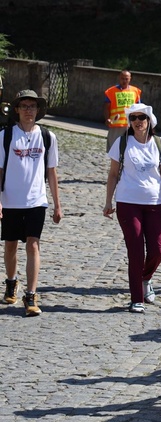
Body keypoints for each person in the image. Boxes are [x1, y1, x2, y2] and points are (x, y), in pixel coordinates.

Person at [103, 103, 161, 313]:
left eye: (141, 118)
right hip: (127, 202)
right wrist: (108, 201)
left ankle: (145, 278)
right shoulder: (122, 142)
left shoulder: (160, 144)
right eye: (133, 118)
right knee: (135, 250)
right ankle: (136, 299)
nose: (137, 122)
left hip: (154, 203)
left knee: (157, 250)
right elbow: (113, 174)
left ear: (149, 120)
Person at [0, 90, 63, 317]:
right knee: (10, 245)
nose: (29, 110)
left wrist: (57, 204)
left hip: (37, 200)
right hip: (10, 200)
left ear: (38, 110)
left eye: (32, 106)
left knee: (33, 244)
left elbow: (52, 172)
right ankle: (11, 281)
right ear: (17, 109)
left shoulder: (47, 136)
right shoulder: (5, 136)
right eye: (24, 106)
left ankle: (31, 295)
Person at [103, 69, 142, 153]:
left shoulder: (135, 91)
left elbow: (139, 108)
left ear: (130, 79)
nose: (124, 81)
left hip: (131, 125)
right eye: (122, 78)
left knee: (129, 150)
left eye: (126, 79)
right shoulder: (111, 91)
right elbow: (106, 107)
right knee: (114, 150)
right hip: (116, 125)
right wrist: (107, 119)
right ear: (119, 78)